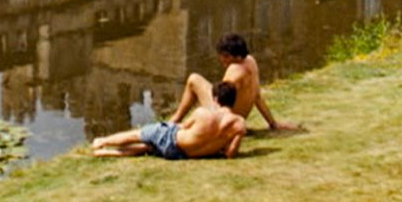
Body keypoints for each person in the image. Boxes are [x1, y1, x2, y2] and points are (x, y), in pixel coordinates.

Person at [169, 32, 301, 132]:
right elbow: (257, 97)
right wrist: (273, 123)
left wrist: (201, 117)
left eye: (224, 57)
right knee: (201, 86)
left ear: (231, 56)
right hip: (239, 117)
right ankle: (176, 121)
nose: (222, 60)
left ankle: (174, 122)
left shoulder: (234, 70)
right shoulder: (251, 62)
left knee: (193, 79)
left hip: (226, 118)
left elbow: (221, 101)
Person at [92, 80, 246, 159]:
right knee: (147, 147)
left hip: (172, 141)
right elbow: (230, 154)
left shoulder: (203, 113)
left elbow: (184, 127)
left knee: (139, 134)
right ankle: (108, 153)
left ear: (216, 98)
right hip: (182, 155)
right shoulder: (239, 125)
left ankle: (102, 142)